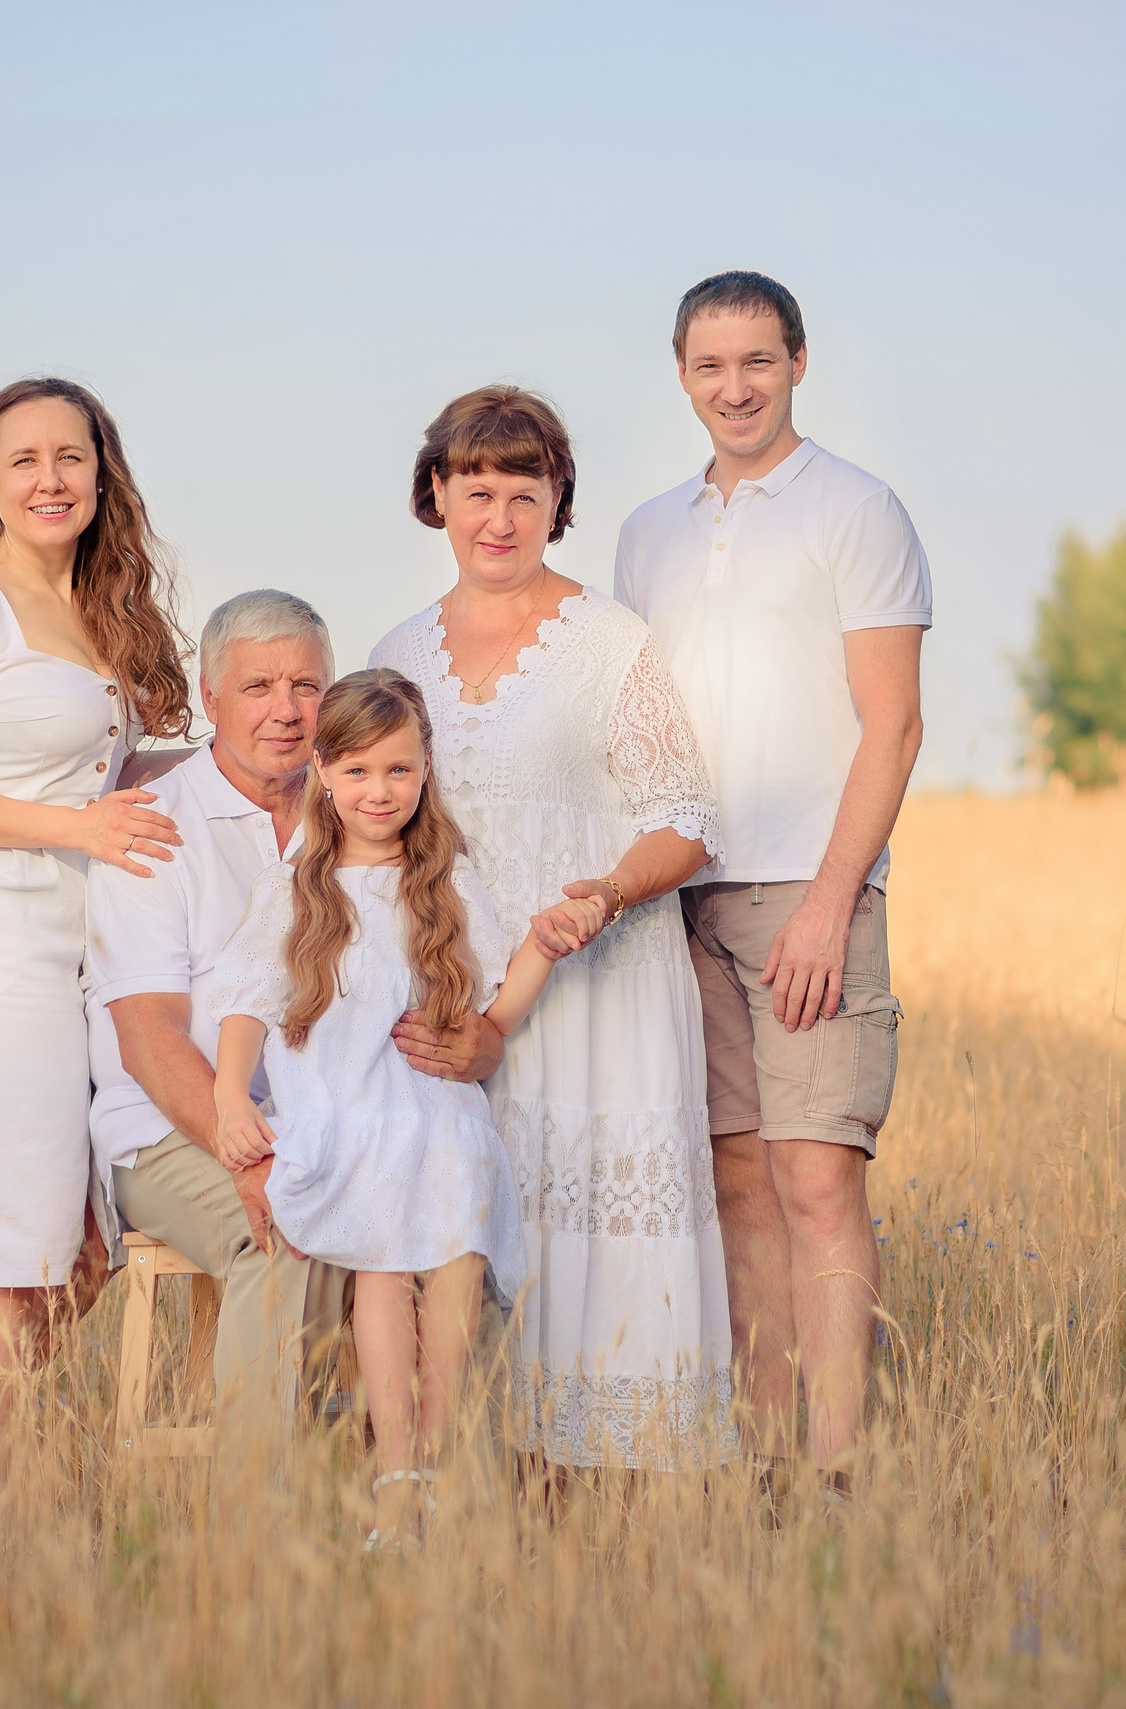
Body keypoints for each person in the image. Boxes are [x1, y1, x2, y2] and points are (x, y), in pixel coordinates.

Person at [369, 385, 735, 1471]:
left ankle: (618, 1495)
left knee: (596, 1235)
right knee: (468, 1228)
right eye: (474, 488)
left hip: (598, 989)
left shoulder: (608, 640)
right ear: (435, 494)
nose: (497, 515)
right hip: (455, 1002)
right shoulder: (399, 648)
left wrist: (607, 893)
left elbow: (689, 816)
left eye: (522, 492)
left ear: (556, 500)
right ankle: (475, 1483)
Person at [612, 271, 929, 1506]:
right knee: (734, 1177)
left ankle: (841, 1470)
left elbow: (892, 726)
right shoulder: (649, 531)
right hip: (675, 896)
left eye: (756, 360)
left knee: (814, 1174)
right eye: (708, 366)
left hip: (807, 888)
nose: (733, 386)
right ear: (680, 375)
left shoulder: (858, 509)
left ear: (798, 361)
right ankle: (766, 1465)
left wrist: (827, 902)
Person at [85, 594, 509, 1432]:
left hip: (347, 1117)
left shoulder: (366, 817)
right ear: (210, 700)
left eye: (306, 685)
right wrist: (243, 1154)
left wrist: (478, 1047)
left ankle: (455, 1518)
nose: (285, 709)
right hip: (177, 1127)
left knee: (463, 1227)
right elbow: (147, 1035)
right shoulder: (158, 825)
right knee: (282, 1237)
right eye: (257, 687)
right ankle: (263, 1539)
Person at [207, 669, 597, 1547]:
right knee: (381, 1268)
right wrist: (232, 1092)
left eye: (397, 770)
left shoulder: (444, 879)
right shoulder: (300, 886)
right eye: (356, 772)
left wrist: (546, 942)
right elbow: (248, 999)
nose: (377, 792)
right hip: (343, 1116)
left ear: (425, 771)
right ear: (323, 773)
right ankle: (399, 1479)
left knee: (454, 1237)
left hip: (435, 1110)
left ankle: (439, 1458)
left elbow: (500, 994)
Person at [0, 376, 192, 1414]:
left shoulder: (98, 605)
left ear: (101, 472)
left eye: (71, 456)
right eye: (24, 458)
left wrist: (266, 760)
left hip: (86, 944)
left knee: (83, 1246)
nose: (50, 477)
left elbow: (112, 774)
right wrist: (77, 827)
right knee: (9, 1244)